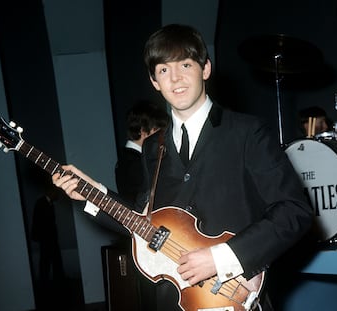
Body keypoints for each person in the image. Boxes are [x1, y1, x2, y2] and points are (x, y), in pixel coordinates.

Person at [52, 24, 313, 311]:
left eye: (185, 64)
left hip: (235, 295)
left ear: (206, 69)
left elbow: (294, 210)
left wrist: (221, 257)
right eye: (163, 70)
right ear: (154, 81)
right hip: (174, 300)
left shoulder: (247, 132)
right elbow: (142, 222)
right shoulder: (153, 148)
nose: (175, 78)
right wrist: (91, 192)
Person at [115, 100, 169, 205]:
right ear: (143, 131)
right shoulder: (135, 163)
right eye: (158, 131)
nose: (163, 137)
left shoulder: (127, 159)